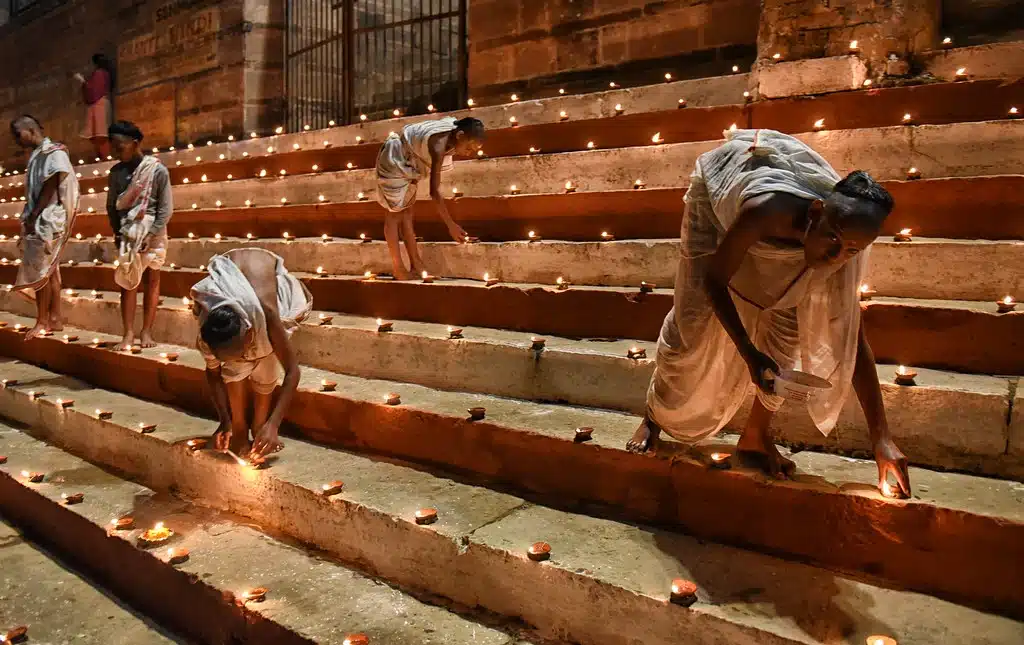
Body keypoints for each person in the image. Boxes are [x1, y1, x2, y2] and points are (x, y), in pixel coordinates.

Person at [627, 129, 911, 498]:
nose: (836, 257)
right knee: (691, 324)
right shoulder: (765, 209)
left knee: (788, 330)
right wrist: (748, 351)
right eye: (833, 239)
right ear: (815, 213)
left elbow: (852, 339)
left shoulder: (847, 247)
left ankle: (756, 437)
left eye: (851, 250)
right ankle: (653, 418)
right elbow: (714, 280)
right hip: (718, 201)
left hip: (796, 230)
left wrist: (882, 440)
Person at [190, 248, 312, 459]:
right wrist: (225, 420)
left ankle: (259, 426)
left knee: (266, 354)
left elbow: (293, 372)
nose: (241, 360)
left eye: (242, 352)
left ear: (249, 332)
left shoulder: (268, 315)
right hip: (233, 269)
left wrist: (273, 424)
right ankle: (239, 428)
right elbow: (213, 373)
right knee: (235, 365)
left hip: (265, 278)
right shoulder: (210, 328)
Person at [375, 116, 484, 279]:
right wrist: (451, 225)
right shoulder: (438, 146)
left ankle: (416, 264)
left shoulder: (454, 130)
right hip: (395, 158)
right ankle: (398, 268)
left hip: (411, 162)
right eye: (468, 148)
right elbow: (434, 192)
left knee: (407, 214)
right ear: (460, 135)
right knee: (394, 214)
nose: (469, 153)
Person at [9, 115, 80, 340]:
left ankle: (42, 321)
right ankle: (55, 318)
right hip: (43, 216)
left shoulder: (53, 153)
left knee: (42, 271)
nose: (16, 140)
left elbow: (50, 186)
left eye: (18, 134)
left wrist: (33, 216)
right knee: (51, 270)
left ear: (30, 130)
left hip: (48, 218)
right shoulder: (38, 155)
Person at [106, 120, 172, 351]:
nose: (116, 152)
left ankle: (146, 331)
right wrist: (117, 231)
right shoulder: (116, 173)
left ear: (135, 144)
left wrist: (151, 233)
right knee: (127, 282)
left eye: (120, 146)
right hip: (128, 231)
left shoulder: (157, 170)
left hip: (153, 231)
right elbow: (111, 206)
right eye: (113, 147)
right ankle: (128, 333)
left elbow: (165, 208)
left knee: (152, 280)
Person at [73, 53, 115, 159]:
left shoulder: (99, 73)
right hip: (99, 104)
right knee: (96, 134)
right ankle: (102, 156)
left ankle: (105, 157)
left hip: (98, 104)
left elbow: (94, 91)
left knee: (100, 133)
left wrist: (82, 80)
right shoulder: (104, 73)